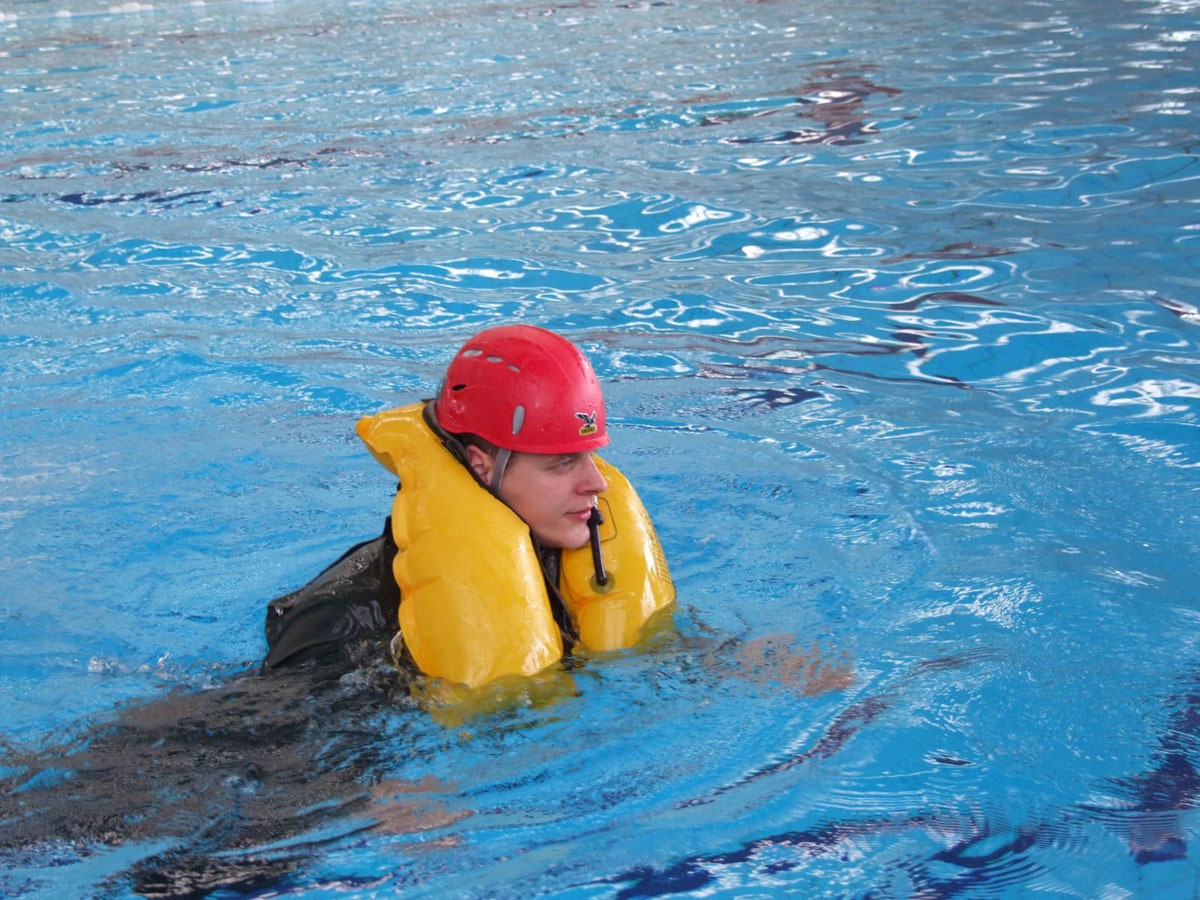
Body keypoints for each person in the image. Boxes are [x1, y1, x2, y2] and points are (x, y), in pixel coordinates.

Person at [263, 324, 675, 687]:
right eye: (562, 464)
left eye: (590, 456)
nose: (597, 483)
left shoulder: (572, 553)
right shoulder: (343, 620)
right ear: (482, 465)